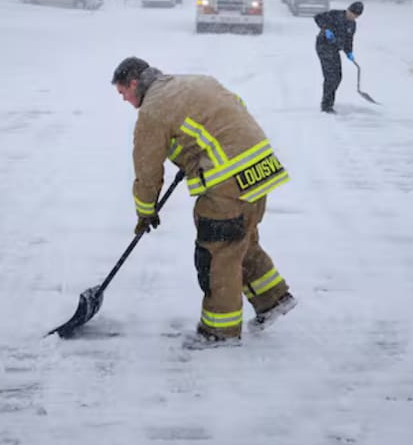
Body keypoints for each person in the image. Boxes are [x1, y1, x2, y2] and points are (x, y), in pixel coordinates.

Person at [111, 56, 296, 348]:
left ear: (134, 83)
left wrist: (145, 211)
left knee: (217, 252)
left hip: (228, 179)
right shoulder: (196, 81)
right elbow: (232, 112)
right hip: (261, 168)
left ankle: (219, 333)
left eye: (123, 92)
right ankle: (273, 300)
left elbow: (147, 170)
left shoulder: (152, 111)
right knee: (240, 239)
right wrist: (196, 155)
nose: (124, 99)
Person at [313, 1, 364, 113]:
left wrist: (349, 52)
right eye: (352, 14)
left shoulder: (352, 24)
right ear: (349, 10)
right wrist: (326, 29)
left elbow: (349, 40)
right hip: (324, 46)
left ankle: (328, 102)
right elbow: (317, 18)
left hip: (335, 49)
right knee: (331, 77)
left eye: (356, 16)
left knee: (338, 77)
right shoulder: (335, 14)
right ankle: (326, 105)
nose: (353, 17)